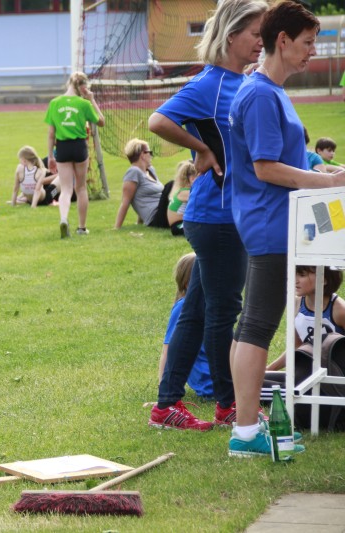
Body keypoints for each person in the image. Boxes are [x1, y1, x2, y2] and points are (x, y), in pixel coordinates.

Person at [228, 0, 345, 458]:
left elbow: (288, 160)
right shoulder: (260, 94)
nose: (313, 50)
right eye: (308, 42)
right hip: (272, 224)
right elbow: (266, 168)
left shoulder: (270, 90)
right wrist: (327, 183)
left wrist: (325, 171)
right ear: (282, 40)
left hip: (280, 221)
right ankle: (245, 431)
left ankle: (246, 423)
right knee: (257, 326)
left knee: (252, 325)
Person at [147, 0, 268, 432]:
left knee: (197, 310)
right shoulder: (210, 84)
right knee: (223, 312)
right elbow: (158, 121)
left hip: (229, 214)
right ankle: (228, 405)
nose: (261, 42)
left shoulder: (246, 81)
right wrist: (200, 148)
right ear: (231, 35)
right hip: (215, 217)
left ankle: (166, 406)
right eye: (255, 33)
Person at [44, 71, 105, 238]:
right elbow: (101, 121)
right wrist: (92, 100)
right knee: (81, 187)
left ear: (69, 83)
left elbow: (51, 134)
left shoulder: (55, 103)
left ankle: (64, 219)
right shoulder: (83, 104)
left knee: (65, 189)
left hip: (62, 147)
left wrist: (50, 156)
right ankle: (82, 227)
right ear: (83, 86)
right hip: (79, 146)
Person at [155, 253, 214, 403]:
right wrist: (164, 393)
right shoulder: (184, 308)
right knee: (268, 387)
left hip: (224, 380)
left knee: (268, 380)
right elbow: (167, 351)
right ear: (189, 283)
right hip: (212, 385)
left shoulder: (210, 305)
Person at [267, 266, 345, 371]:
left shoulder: (340, 310)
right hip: (307, 369)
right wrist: (268, 370)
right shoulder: (296, 303)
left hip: (336, 373)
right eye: (294, 273)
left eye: (302, 275)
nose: (295, 280)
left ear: (324, 279)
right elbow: (296, 348)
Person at [113, 139, 171, 230]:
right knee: (171, 186)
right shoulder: (133, 172)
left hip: (164, 212)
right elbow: (126, 201)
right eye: (150, 152)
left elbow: (143, 196)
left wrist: (139, 222)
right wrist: (117, 227)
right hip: (156, 217)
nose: (151, 156)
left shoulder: (150, 170)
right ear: (142, 155)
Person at [166, 160, 198, 236]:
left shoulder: (182, 191)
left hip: (178, 225)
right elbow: (203, 202)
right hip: (178, 226)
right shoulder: (186, 193)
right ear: (192, 179)